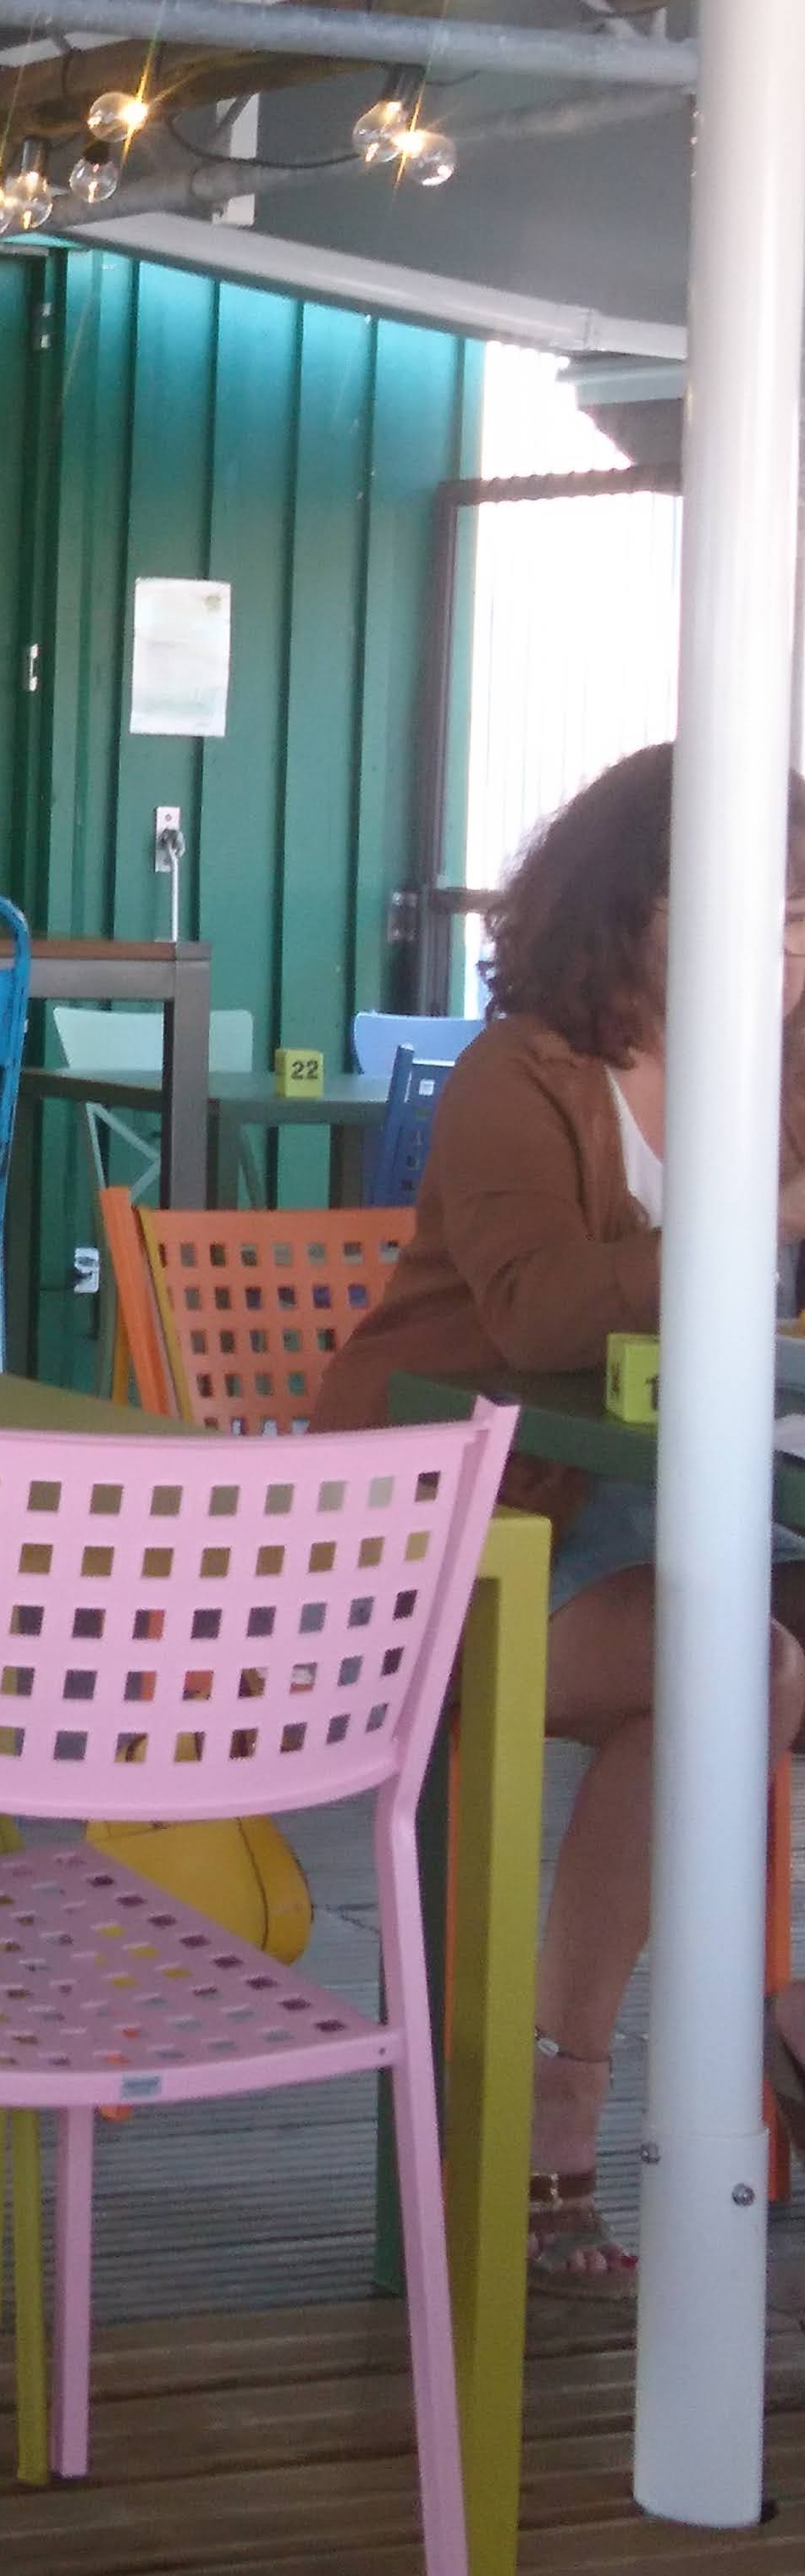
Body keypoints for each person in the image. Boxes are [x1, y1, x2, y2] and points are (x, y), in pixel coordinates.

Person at [315, 740, 805, 2288]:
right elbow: (531, 1308)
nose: (779, 941)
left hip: (647, 1503)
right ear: (631, 902)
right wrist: (754, 1213)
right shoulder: (517, 1073)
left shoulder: (775, 1072)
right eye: (747, 900)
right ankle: (593, 2080)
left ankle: (615, 2077)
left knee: (737, 1669)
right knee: (740, 1670)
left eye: (797, 913)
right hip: (442, 1518)